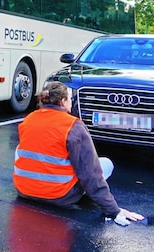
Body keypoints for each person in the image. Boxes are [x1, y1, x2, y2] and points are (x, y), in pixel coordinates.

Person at [13, 81, 145, 226]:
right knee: (105, 164)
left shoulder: (28, 120)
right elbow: (90, 174)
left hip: (24, 191)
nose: (71, 102)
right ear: (63, 101)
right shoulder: (73, 126)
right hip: (59, 197)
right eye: (70, 99)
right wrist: (114, 211)